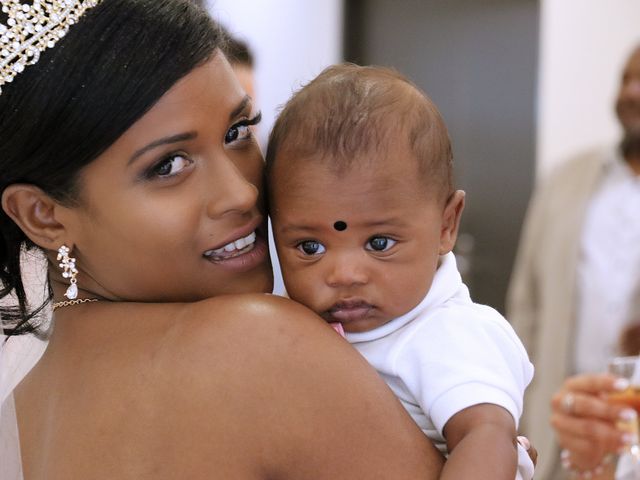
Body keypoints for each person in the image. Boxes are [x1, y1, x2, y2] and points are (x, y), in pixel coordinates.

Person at [0, 1, 448, 478]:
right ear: (43, 215)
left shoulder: (31, 396)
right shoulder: (256, 345)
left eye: (238, 131)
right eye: (168, 165)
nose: (242, 192)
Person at [265, 64, 535, 479]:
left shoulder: (447, 333)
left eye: (379, 243)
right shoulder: (295, 324)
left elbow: (486, 435)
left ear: (446, 226)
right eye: (310, 247)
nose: (344, 273)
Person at [507, 44, 640, 480]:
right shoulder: (565, 178)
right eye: (626, 78)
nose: (633, 91)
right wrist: (515, 401)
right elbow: (526, 300)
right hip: (557, 415)